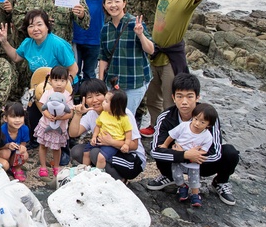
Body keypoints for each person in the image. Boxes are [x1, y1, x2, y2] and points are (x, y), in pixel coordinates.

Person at [145, 0, 228, 131]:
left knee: (170, 98)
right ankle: (154, 125)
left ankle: (171, 131)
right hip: (154, 52)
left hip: (171, 56)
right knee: (152, 96)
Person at [147, 73, 239, 205]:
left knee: (230, 153)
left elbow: (215, 153)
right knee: (162, 148)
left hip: (200, 164)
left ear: (197, 97)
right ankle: (169, 176)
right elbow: (155, 151)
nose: (184, 102)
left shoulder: (209, 116)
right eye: (179, 96)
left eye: (189, 96)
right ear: (173, 98)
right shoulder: (166, 117)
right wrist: (184, 155)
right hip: (175, 163)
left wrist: (191, 157)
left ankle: (220, 182)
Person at [0, 9, 78, 131]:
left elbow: (73, 69)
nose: (35, 29)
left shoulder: (57, 44)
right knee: (32, 119)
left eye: (39, 24)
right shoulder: (28, 43)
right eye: (31, 26)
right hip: (41, 87)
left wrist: (62, 89)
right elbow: (16, 56)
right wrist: (4, 41)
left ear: (47, 26)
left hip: (63, 85)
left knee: (58, 120)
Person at [67, 79, 145, 182]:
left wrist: (111, 142)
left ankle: (119, 180)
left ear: (106, 95)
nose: (95, 100)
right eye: (89, 97)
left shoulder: (122, 113)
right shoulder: (91, 114)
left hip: (132, 159)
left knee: (95, 153)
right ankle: (95, 174)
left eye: (98, 95)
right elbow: (73, 133)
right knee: (77, 151)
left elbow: (134, 145)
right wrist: (78, 114)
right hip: (108, 150)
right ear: (84, 100)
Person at [99, 0, 155, 115]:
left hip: (134, 80)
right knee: (110, 114)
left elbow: (151, 50)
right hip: (113, 81)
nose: (113, 5)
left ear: (124, 3)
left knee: (126, 115)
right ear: (104, 6)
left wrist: (140, 35)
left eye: (117, 1)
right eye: (109, 2)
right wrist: (101, 82)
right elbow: (103, 57)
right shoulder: (105, 29)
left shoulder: (135, 23)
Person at [158, 103, 218, 207]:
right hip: (179, 158)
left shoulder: (207, 136)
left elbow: (204, 151)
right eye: (196, 119)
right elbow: (171, 136)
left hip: (193, 162)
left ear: (208, 125)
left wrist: (193, 154)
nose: (197, 123)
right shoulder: (184, 126)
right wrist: (165, 145)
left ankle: (195, 195)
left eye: (202, 122)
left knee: (194, 180)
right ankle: (182, 187)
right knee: (176, 176)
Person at [69, 0, 114, 81]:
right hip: (75, 36)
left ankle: (90, 94)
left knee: (90, 73)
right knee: (73, 73)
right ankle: (74, 93)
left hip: (96, 36)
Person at [34, 66, 73, 178]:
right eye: (56, 80)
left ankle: (56, 166)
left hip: (59, 128)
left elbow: (70, 113)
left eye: (62, 80)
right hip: (45, 125)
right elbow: (43, 107)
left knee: (57, 148)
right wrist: (48, 115)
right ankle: (43, 166)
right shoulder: (47, 93)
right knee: (42, 145)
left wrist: (61, 117)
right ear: (50, 80)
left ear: (67, 81)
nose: (59, 84)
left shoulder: (68, 96)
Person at [90, 90, 132, 170]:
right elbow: (98, 126)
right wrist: (94, 137)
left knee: (101, 157)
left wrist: (126, 144)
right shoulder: (104, 113)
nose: (103, 103)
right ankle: (85, 170)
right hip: (100, 139)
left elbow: (128, 132)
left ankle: (98, 172)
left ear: (115, 106)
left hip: (113, 144)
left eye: (106, 101)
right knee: (86, 151)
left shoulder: (124, 118)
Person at [1, 102, 30, 182]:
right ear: (5, 118)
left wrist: (22, 148)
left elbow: (23, 144)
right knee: (6, 153)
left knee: (24, 154)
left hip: (15, 154)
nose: (17, 120)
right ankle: (6, 166)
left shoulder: (24, 129)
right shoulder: (2, 130)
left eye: (20, 116)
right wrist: (7, 145)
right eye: (13, 117)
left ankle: (17, 167)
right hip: (4, 154)